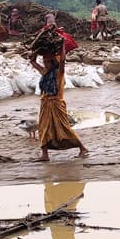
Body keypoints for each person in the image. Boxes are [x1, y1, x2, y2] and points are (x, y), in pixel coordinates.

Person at [29, 24, 89, 161]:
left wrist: (62, 45)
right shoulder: (45, 72)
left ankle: (83, 148)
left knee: (64, 128)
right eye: (44, 61)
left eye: (48, 61)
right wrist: (35, 51)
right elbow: (32, 61)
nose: (45, 63)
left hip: (57, 104)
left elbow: (63, 60)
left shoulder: (59, 73)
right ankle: (44, 154)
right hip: (45, 104)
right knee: (43, 128)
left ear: (53, 62)